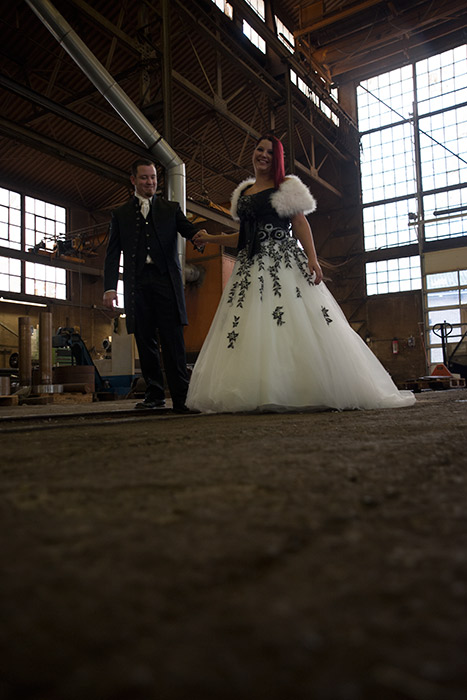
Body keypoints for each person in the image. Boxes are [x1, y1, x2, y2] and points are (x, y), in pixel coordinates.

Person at [186, 134, 416, 413]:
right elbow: (244, 237)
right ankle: (259, 389)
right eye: (260, 149)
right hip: (249, 267)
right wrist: (211, 238)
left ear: (277, 159)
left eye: (270, 152)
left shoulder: (285, 186)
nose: (263, 155)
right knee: (250, 325)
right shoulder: (244, 192)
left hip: (282, 261)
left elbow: (299, 222)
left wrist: (312, 258)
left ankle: (300, 388)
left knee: (293, 321)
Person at [103, 159, 206, 412]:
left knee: (173, 339)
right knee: (144, 338)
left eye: (153, 178)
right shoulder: (120, 214)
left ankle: (181, 398)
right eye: (144, 178)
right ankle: (155, 395)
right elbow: (112, 253)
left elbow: (188, 229)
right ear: (133, 180)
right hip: (137, 284)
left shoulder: (171, 209)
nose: (150, 182)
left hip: (166, 282)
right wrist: (109, 288)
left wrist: (199, 237)